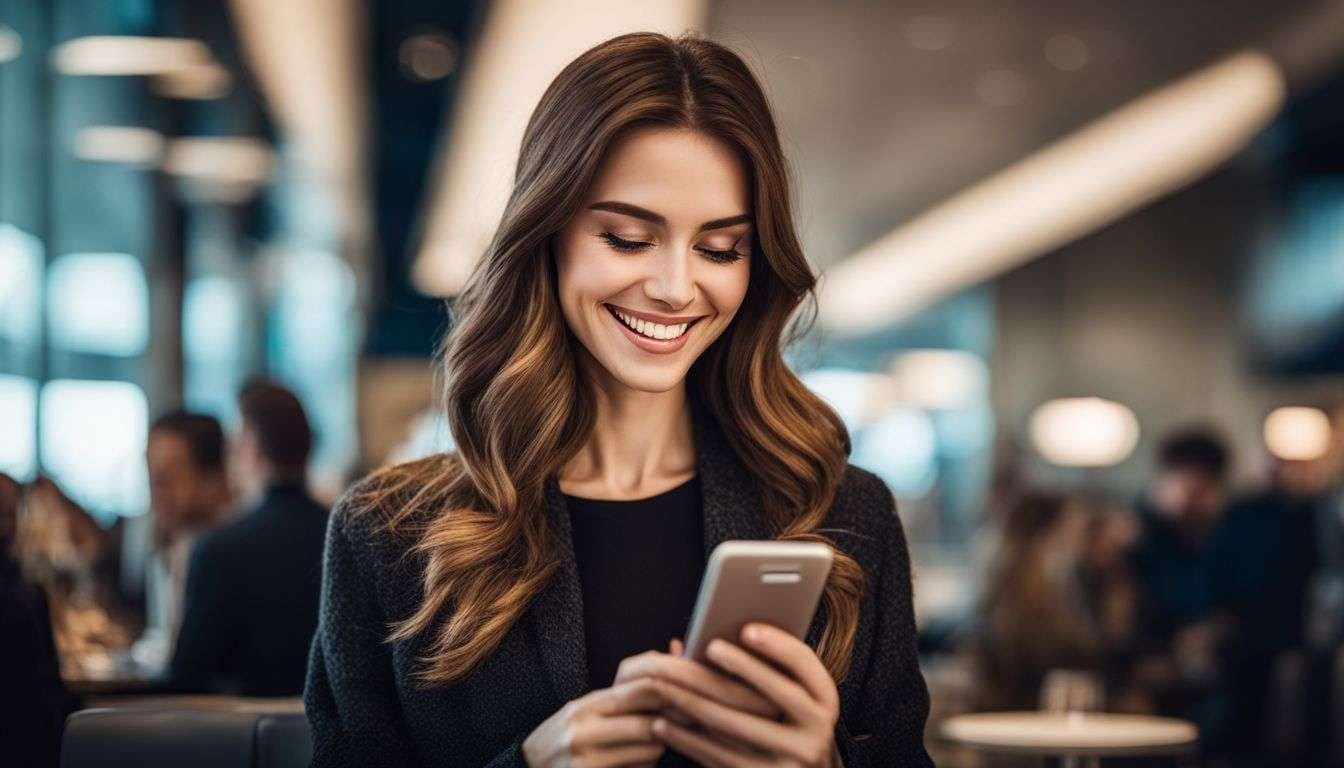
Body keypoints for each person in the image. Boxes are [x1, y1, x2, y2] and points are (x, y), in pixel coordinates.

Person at [304, 31, 932, 768]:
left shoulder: (844, 516)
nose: (674, 286)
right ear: (549, 236)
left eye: (721, 248)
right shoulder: (390, 534)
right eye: (630, 239)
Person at [167, 380, 329, 695]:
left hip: (237, 736)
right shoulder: (347, 535)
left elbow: (186, 675)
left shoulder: (216, 549)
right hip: (328, 730)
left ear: (250, 448)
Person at [143, 410, 233, 650]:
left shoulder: (235, 556)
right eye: (151, 477)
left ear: (215, 478)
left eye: (168, 477)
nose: (156, 491)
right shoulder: (168, 546)